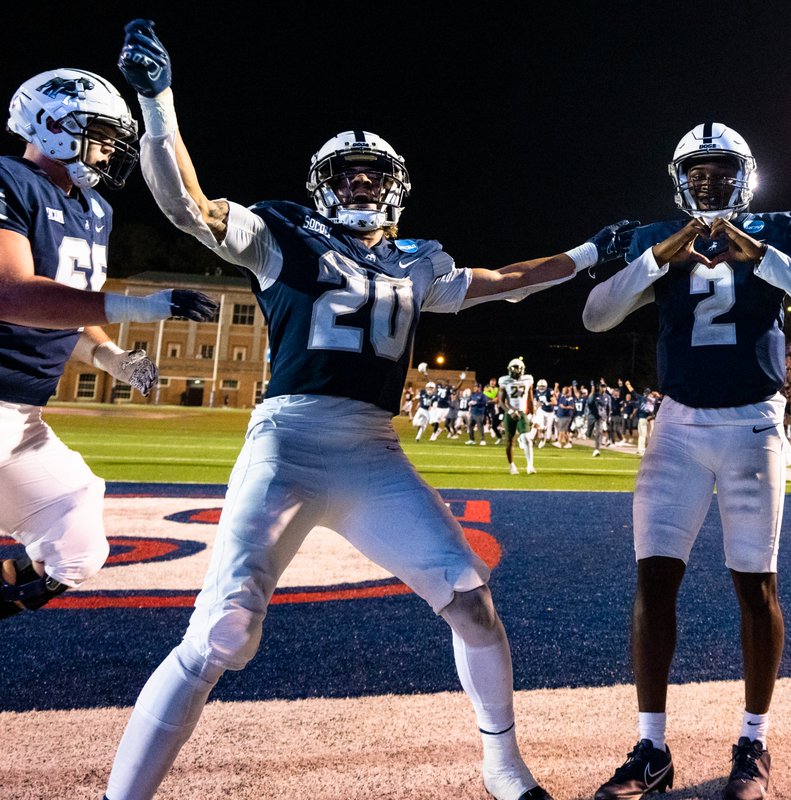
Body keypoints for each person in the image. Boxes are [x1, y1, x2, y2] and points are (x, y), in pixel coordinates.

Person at [105, 19, 638, 800]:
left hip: (373, 452)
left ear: (395, 183)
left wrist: (590, 253)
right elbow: (187, 204)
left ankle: (503, 764)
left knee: (472, 605)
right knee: (222, 635)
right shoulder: (284, 231)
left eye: (371, 175)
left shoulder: (418, 261)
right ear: (325, 183)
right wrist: (158, 102)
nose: (360, 186)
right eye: (347, 175)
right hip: (288, 442)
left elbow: (506, 280)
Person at [583, 121, 791, 800]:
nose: (707, 183)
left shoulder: (781, 227)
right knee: (653, 581)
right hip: (677, 423)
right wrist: (653, 260)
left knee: (755, 585)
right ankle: (651, 748)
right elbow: (596, 316)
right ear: (678, 179)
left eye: (719, 171)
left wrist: (761, 253)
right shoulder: (655, 237)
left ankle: (754, 740)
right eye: (695, 173)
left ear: (745, 175)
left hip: (755, 422)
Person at [0, 66, 217, 620]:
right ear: (50, 124)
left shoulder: (95, 211)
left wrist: (109, 356)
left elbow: (66, 309)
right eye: (96, 132)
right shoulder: (9, 180)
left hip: (22, 411)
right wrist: (141, 305)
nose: (108, 147)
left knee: (75, 543)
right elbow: (14, 295)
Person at [498, 357, 536, 475]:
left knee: (527, 438)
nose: (516, 371)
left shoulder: (528, 379)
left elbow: (530, 397)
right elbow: (500, 401)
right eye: (514, 368)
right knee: (509, 441)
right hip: (510, 413)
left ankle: (530, 466)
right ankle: (512, 465)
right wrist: (510, 412)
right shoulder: (504, 381)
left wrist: (532, 413)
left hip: (522, 412)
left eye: (517, 368)